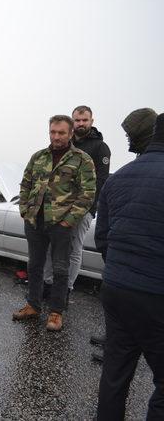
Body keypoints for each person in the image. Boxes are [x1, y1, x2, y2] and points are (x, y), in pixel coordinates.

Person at [95, 113, 164, 420]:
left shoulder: (119, 177)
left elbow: (103, 239)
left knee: (115, 374)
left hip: (117, 289)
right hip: (155, 294)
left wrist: (123, 270)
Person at [12, 115, 96, 331]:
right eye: (53, 132)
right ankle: (33, 305)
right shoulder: (38, 156)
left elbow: (88, 194)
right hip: (35, 221)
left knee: (60, 269)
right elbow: (26, 184)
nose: (56, 136)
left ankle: (56, 312)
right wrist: (24, 209)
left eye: (60, 133)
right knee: (34, 265)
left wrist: (69, 221)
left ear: (70, 134)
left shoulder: (82, 159)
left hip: (61, 224)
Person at [90, 107, 158, 363]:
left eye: (130, 135)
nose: (127, 140)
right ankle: (114, 341)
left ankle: (121, 347)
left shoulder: (142, 166)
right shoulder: (139, 160)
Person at [43, 106, 111, 296]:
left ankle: (66, 288)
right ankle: (47, 283)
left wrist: (88, 209)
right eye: (78, 120)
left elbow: (101, 182)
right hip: (58, 207)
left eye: (85, 120)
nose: (81, 124)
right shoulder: (65, 143)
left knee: (73, 248)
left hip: (83, 208)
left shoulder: (100, 147)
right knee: (52, 246)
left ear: (91, 121)